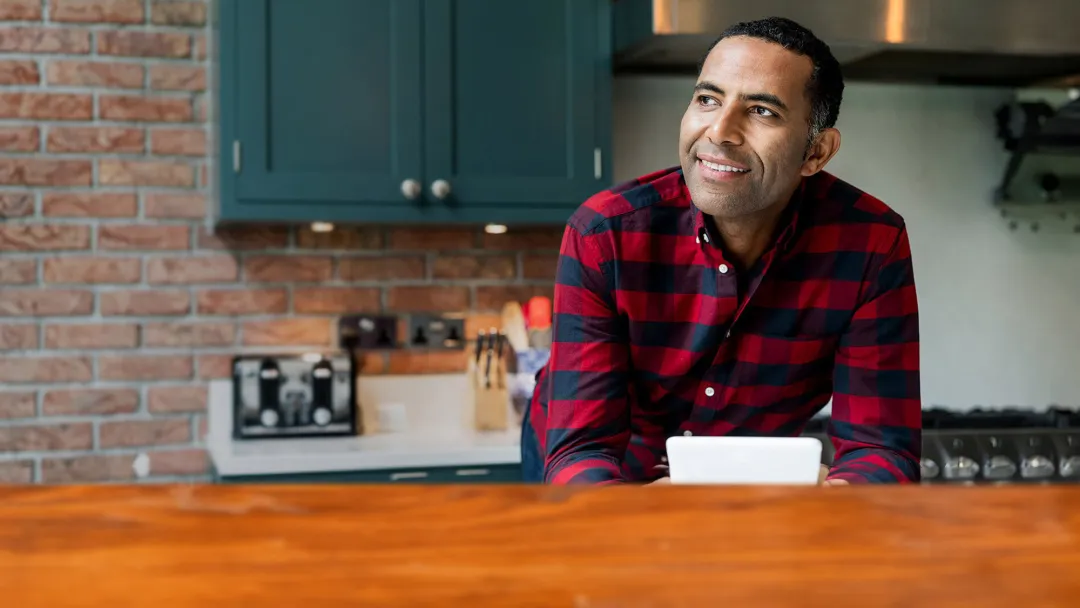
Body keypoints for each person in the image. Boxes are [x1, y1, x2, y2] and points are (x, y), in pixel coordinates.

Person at [520, 16, 921, 485]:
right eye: (708, 99)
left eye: (762, 111)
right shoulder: (604, 234)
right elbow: (582, 449)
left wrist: (840, 496)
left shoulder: (871, 244)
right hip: (610, 470)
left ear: (816, 152)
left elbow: (881, 447)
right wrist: (637, 509)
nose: (720, 131)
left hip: (744, 481)